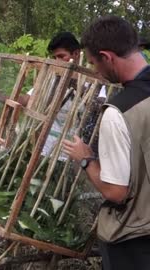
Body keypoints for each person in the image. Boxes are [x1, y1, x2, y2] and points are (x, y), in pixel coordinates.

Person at [62, 16, 150, 270]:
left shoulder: (118, 113)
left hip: (133, 241)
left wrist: (86, 158)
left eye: (93, 63)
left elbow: (116, 192)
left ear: (107, 57)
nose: (96, 71)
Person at [0, 32, 105, 159]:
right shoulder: (51, 78)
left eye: (62, 56)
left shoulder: (93, 82)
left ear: (76, 54)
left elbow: (99, 109)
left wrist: (77, 86)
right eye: (55, 57)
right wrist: (0, 97)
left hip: (71, 156)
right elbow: (27, 99)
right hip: (45, 152)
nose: (58, 61)